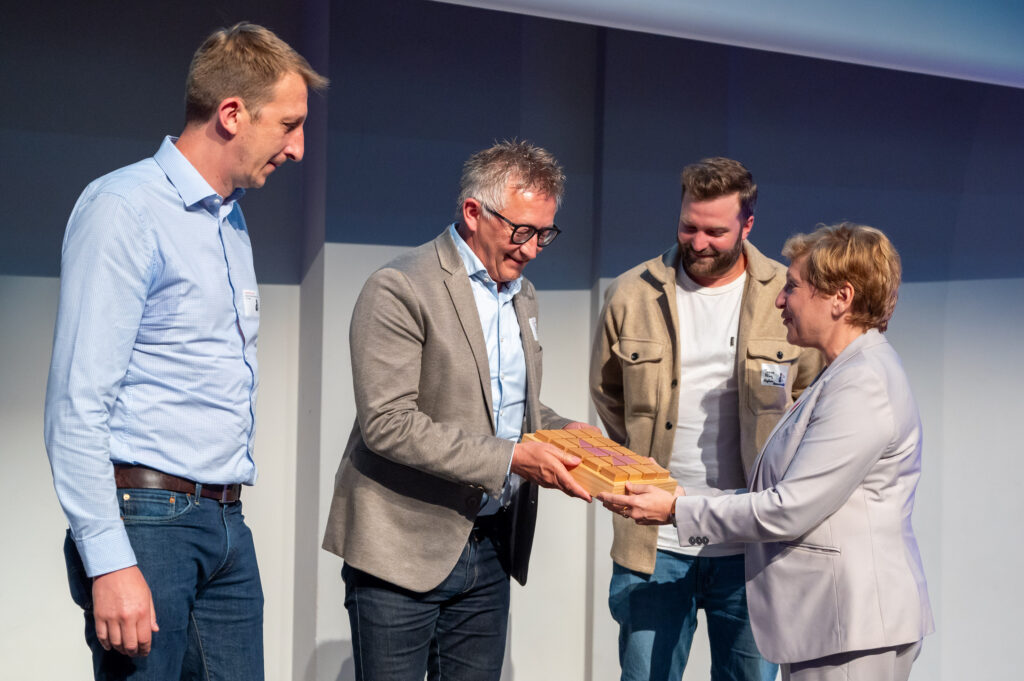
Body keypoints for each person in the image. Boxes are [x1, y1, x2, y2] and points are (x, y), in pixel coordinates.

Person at [43, 23, 327, 680]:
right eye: (288, 125)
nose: (298, 148)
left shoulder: (230, 218)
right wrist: (109, 560)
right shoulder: (125, 208)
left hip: (225, 521)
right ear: (232, 114)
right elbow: (76, 403)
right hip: (148, 524)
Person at [601, 223, 934, 681]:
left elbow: (789, 507)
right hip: (834, 622)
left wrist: (677, 510)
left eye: (792, 287)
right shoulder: (844, 373)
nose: (780, 300)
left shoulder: (862, 383)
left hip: (852, 624)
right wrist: (684, 496)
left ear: (841, 298)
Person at [322, 140, 598, 681]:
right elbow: (388, 424)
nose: (533, 249)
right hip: (400, 547)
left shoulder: (523, 293)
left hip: (490, 545)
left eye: (545, 234)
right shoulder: (400, 286)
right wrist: (513, 458)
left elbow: (507, 406)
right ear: (474, 212)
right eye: (522, 231)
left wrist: (568, 432)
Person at [590, 157, 822, 681]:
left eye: (715, 231)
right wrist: (641, 467)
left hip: (752, 546)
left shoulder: (786, 295)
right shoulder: (631, 293)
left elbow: (811, 398)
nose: (699, 243)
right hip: (653, 544)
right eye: (688, 226)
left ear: (748, 224)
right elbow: (608, 394)